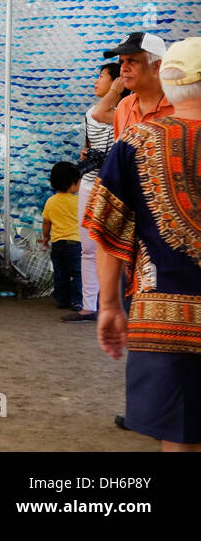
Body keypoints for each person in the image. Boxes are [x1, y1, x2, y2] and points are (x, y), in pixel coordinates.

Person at [86, 37, 201, 451]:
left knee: (177, 436)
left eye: (133, 61)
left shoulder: (134, 143)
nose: (125, 68)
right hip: (160, 314)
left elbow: (107, 227)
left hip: (162, 317)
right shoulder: (125, 117)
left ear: (164, 76)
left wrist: (110, 305)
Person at [68, 62, 123, 321]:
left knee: (116, 247)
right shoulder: (91, 113)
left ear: (117, 82)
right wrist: (87, 154)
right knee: (88, 248)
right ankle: (89, 306)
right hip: (90, 183)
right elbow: (89, 144)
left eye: (102, 76)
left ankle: (114, 305)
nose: (96, 81)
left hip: (115, 185)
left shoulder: (128, 111)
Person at [41, 162, 82, 314]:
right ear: (73, 183)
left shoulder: (50, 201)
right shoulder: (79, 201)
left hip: (57, 244)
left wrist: (46, 237)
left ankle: (62, 300)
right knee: (78, 273)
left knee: (60, 273)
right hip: (75, 244)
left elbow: (46, 222)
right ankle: (77, 301)